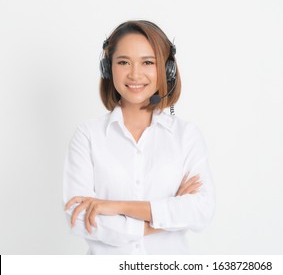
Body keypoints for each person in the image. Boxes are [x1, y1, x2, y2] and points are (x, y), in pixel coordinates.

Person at [62, 20, 215, 255]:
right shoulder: (88, 136)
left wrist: (115, 207)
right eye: (123, 62)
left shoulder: (186, 136)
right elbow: (80, 218)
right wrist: (164, 217)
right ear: (108, 68)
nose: (135, 74)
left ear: (167, 70)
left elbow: (201, 211)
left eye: (148, 62)